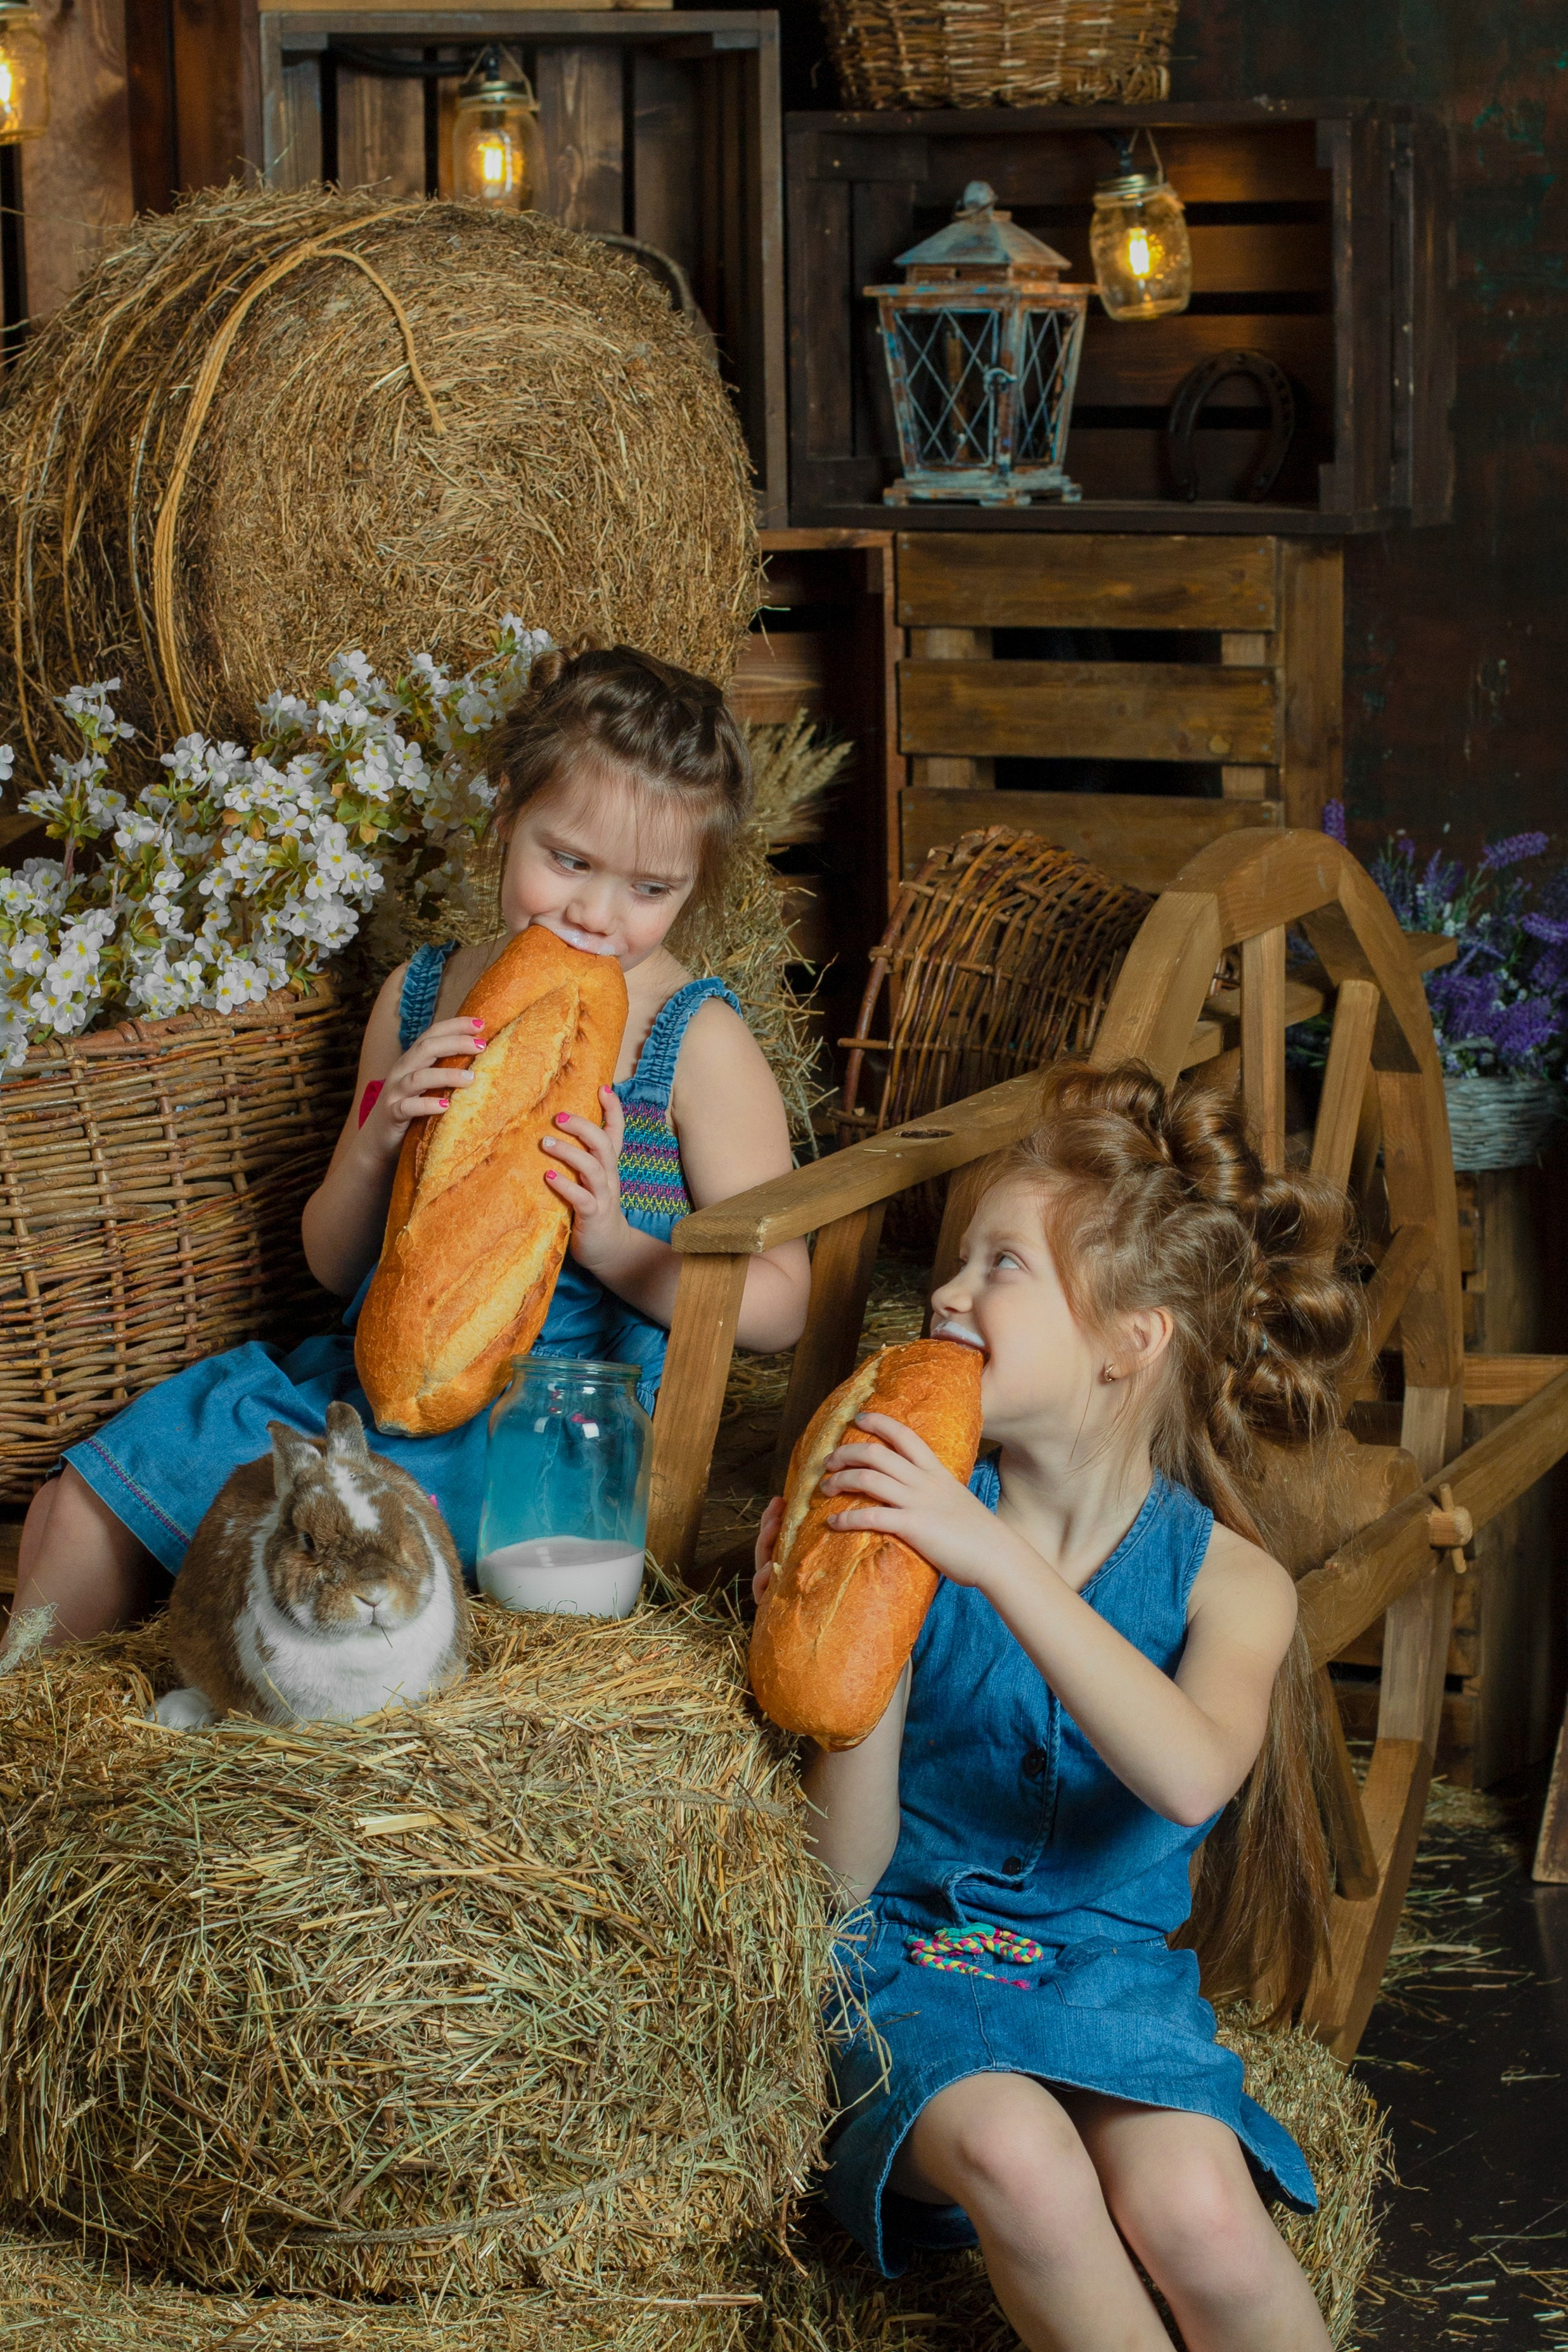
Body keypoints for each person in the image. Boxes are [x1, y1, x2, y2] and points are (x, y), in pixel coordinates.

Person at [16, 643, 810, 1643]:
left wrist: (612, 1240)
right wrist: (375, 1139)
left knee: (340, 1564)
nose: (595, 915)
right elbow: (336, 1264)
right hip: (370, 1380)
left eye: (648, 889)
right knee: (76, 1506)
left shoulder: (696, 1041)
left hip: (547, 1434)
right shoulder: (422, 995)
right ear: (504, 817)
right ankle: (48, 1753)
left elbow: (782, 1306)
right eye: (565, 860)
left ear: (694, 885)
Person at [754, 1063, 1362, 2352]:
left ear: (1125, 1341)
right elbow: (844, 1878)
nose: (948, 1291)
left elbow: (1191, 1773)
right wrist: (858, 1622)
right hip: (902, 1969)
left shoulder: (1234, 1584)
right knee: (1025, 2157)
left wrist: (988, 1557)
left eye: (1000, 1264)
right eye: (956, 1261)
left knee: (1195, 2201)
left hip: (1105, 1974)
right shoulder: (916, 1523)